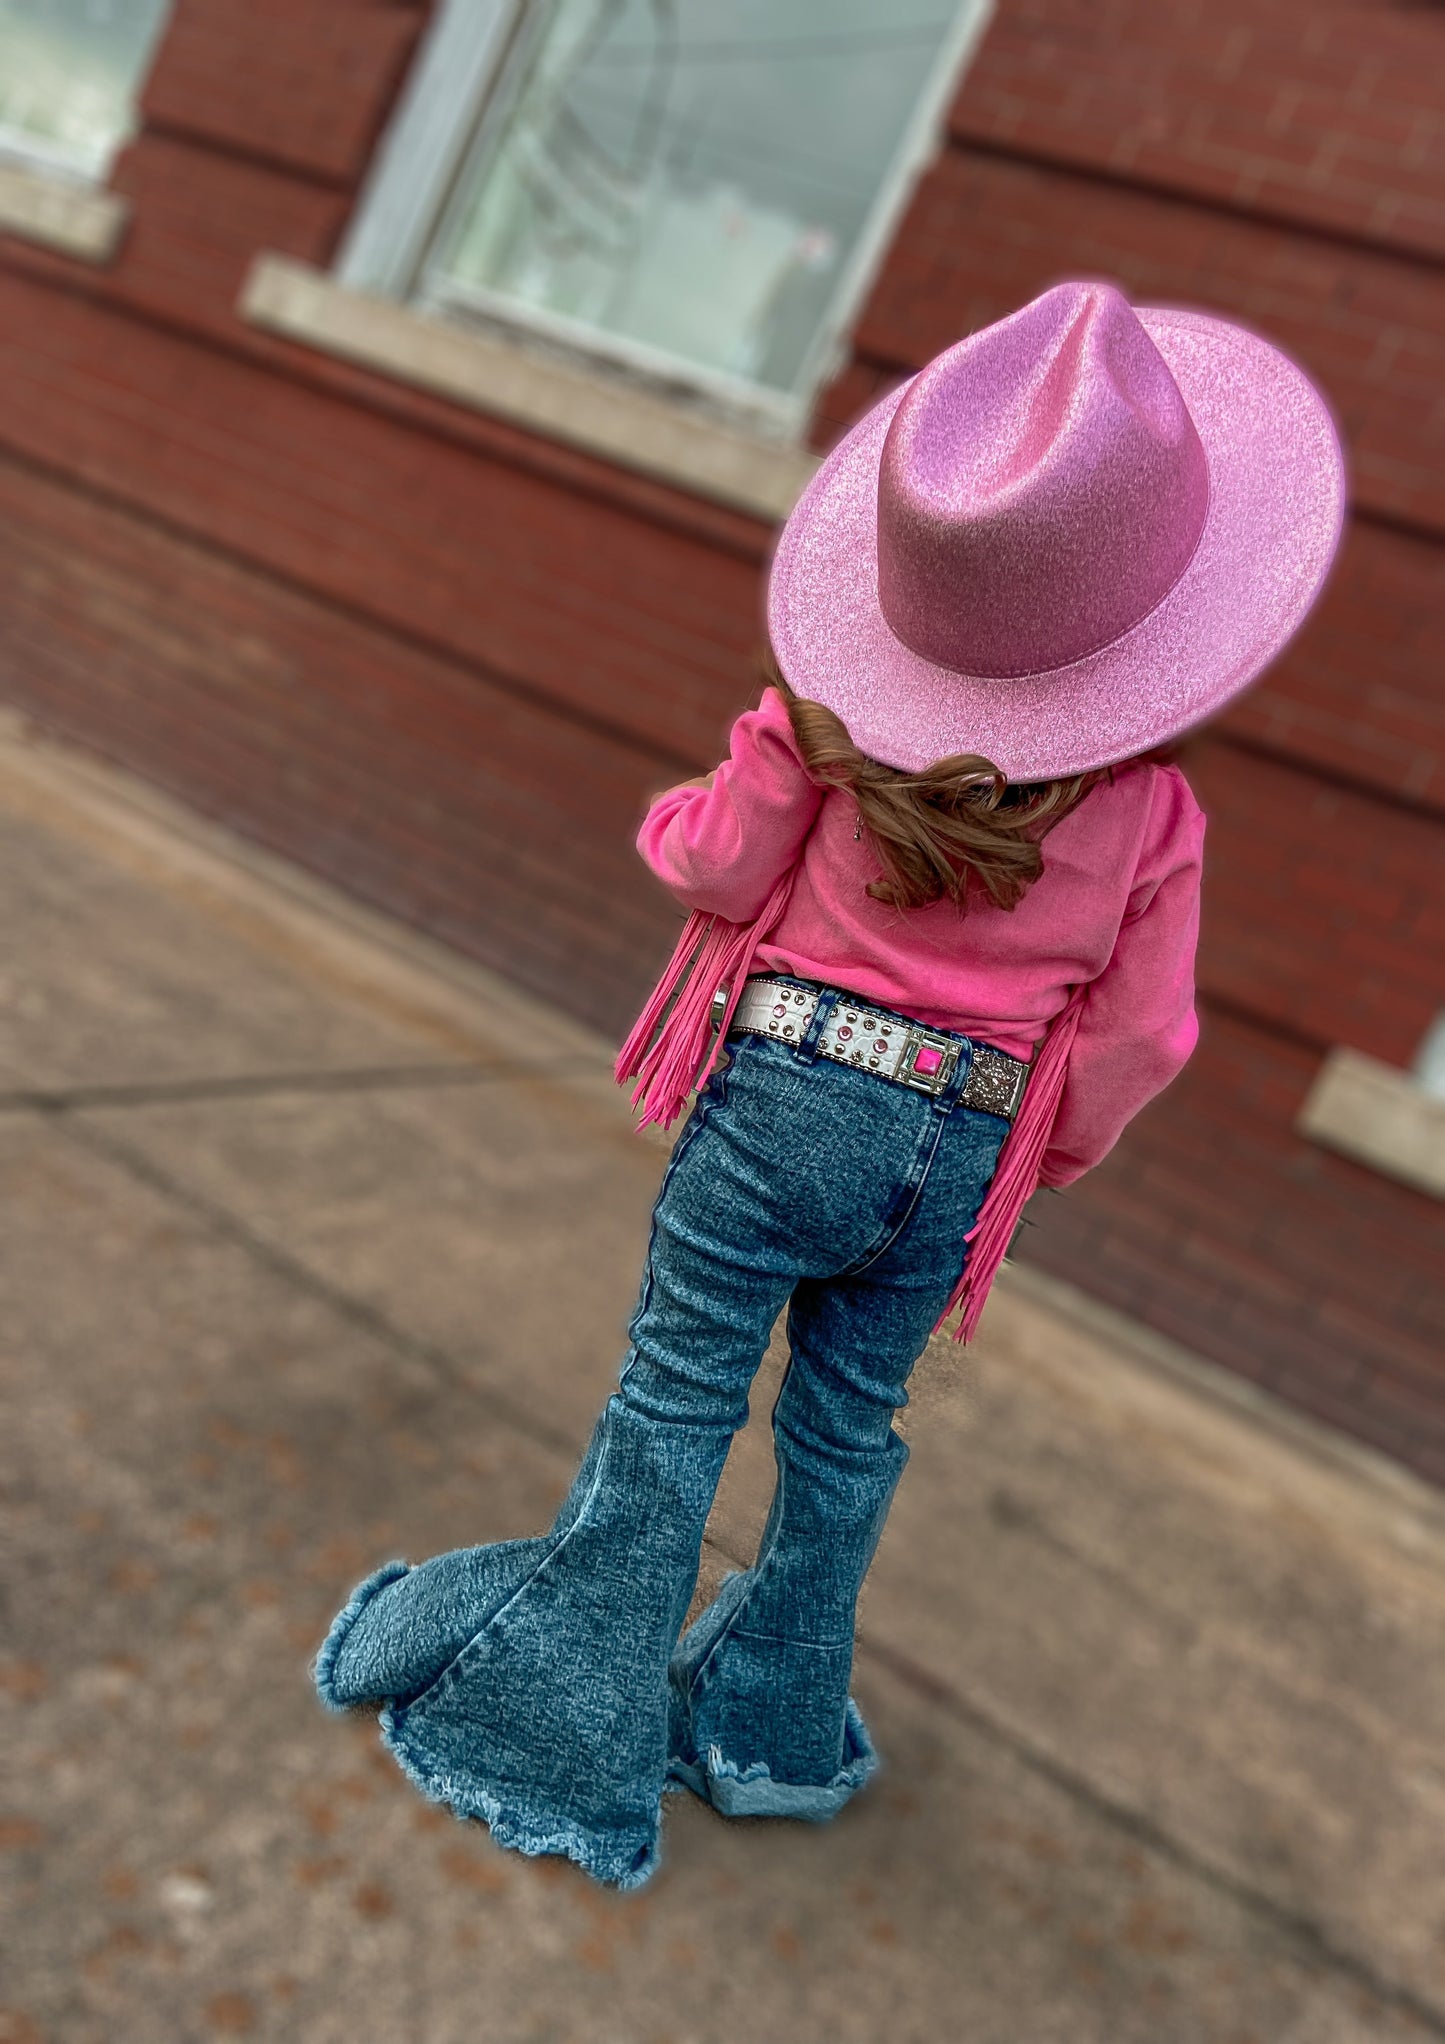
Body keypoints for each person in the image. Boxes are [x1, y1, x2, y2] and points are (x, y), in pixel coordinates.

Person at [312, 280, 1345, 1890]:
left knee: (674, 1402)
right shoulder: (1153, 813)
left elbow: (717, 868)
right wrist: (1037, 1154)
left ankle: (557, 1736)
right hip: (964, 1144)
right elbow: (1143, 1035)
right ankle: (771, 1732)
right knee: (850, 1429)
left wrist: (698, 802)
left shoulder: (819, 724)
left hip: (785, 1098)